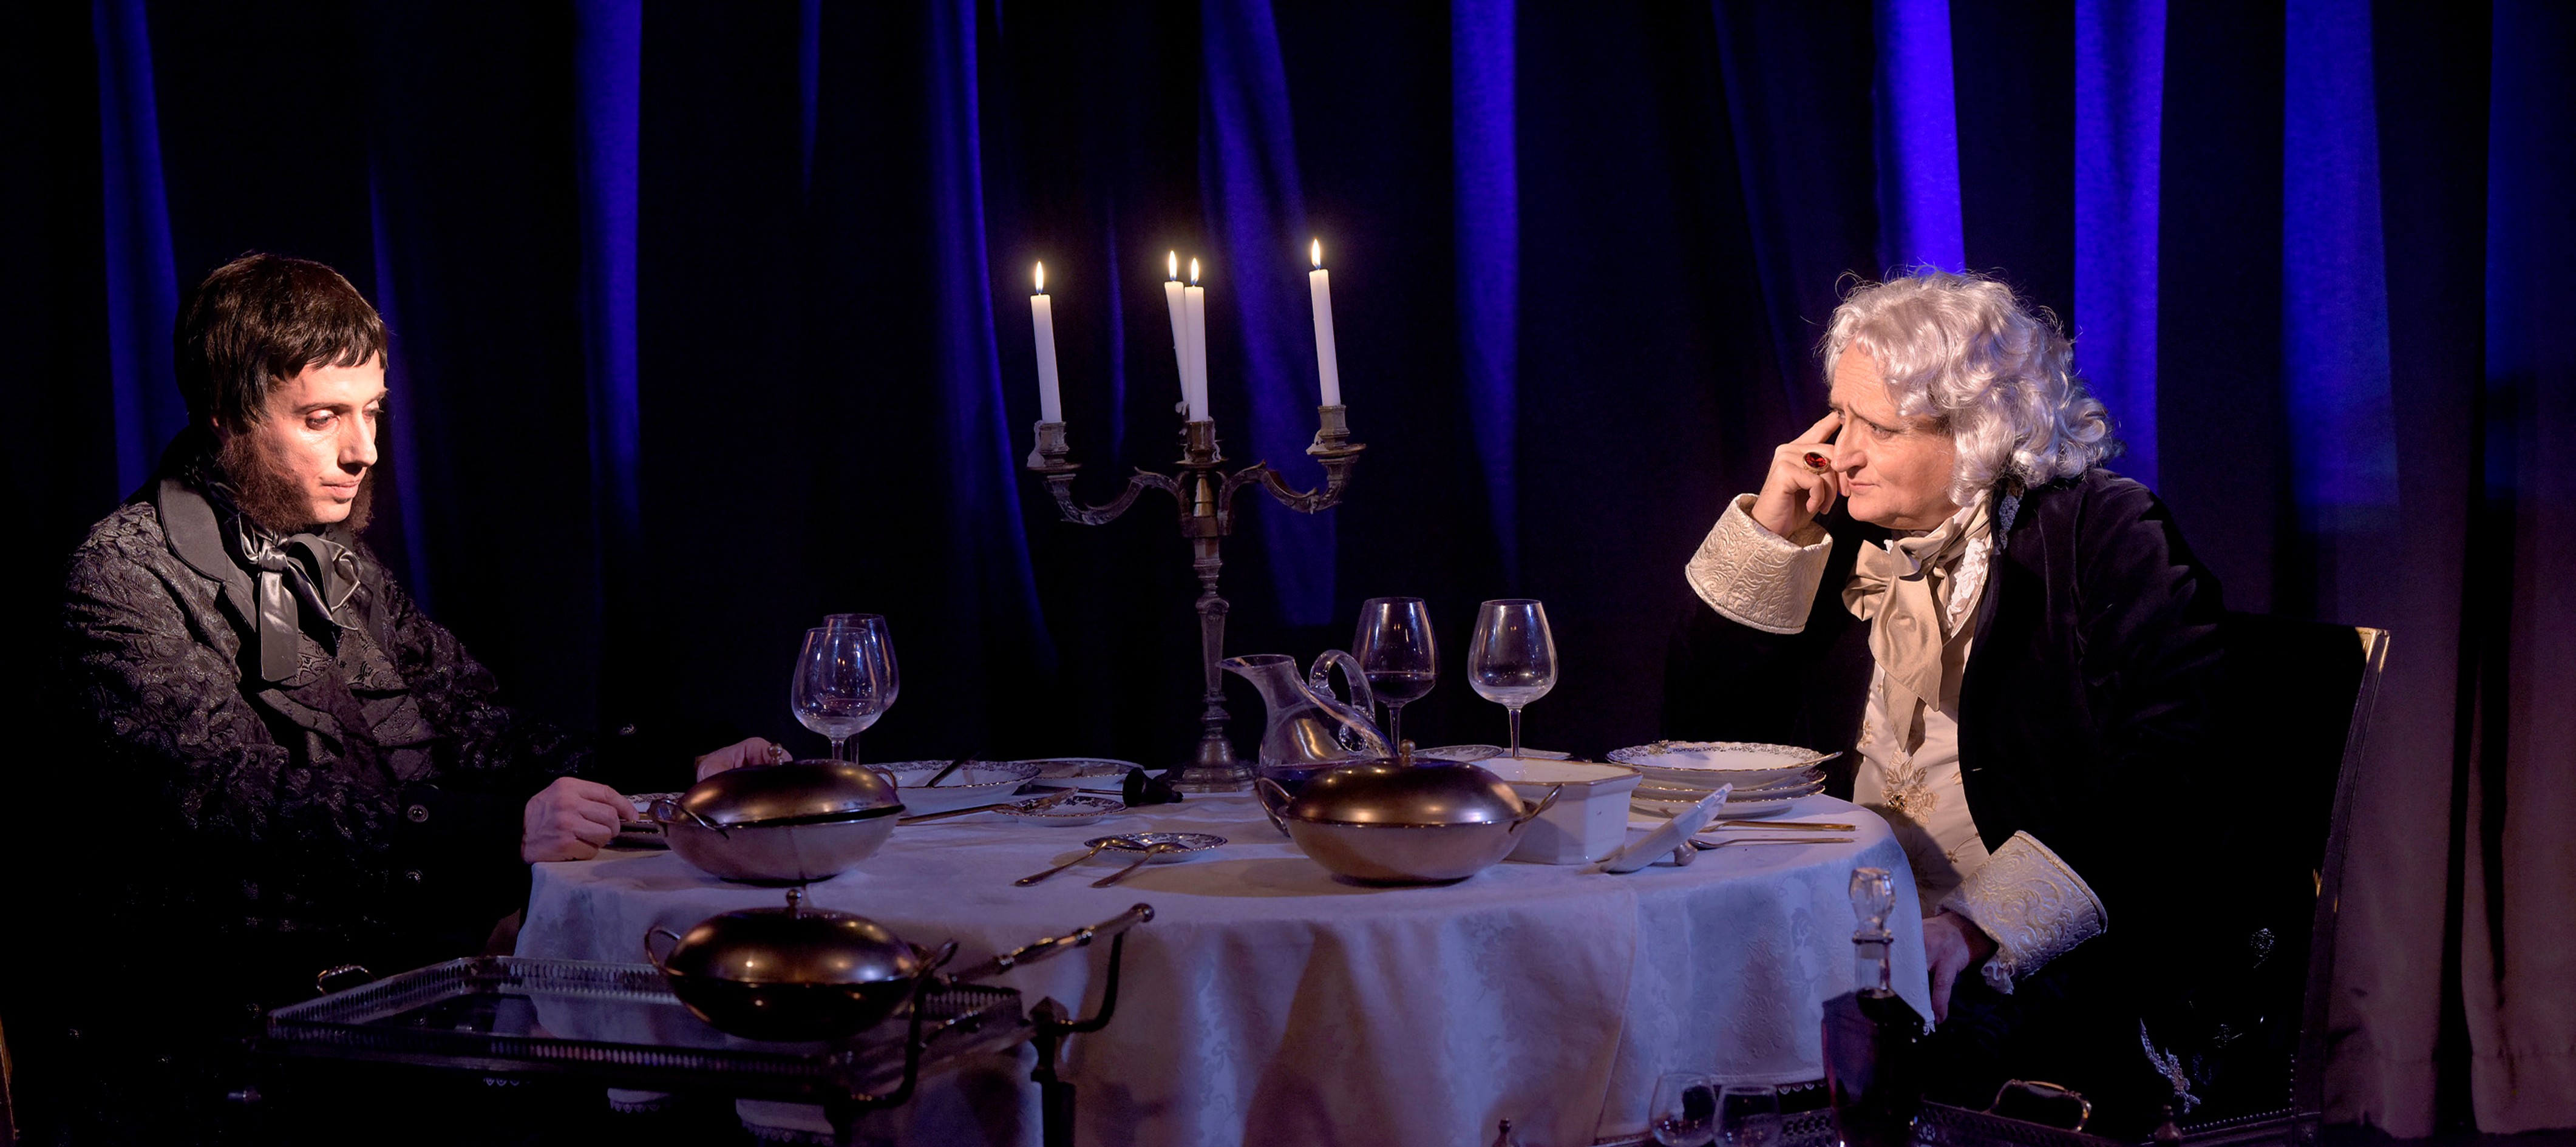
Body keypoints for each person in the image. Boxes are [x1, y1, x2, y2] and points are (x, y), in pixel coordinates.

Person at [15, 254, 781, 1143]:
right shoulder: (120, 575)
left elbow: (483, 731)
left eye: (371, 410)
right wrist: (499, 830)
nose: (364, 451)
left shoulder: (334, 561)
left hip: (389, 993)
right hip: (221, 1050)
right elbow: (231, 800)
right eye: (322, 418)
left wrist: (681, 764)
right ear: (224, 412)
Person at [1664, 271, 2279, 1133]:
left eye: (1879, 428)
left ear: (1979, 429)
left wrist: (1977, 926)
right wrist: (1770, 538)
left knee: (1889, 1058)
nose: (1840, 453)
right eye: (1839, 417)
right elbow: (1699, 739)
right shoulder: (1833, 533)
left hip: (2060, 945)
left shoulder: (2103, 530)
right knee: (1676, 1012)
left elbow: (2178, 773)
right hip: (1850, 920)